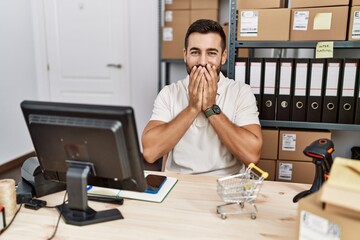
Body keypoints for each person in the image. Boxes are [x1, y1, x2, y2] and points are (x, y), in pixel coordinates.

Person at [141, 19, 262, 176]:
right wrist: (192, 108)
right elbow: (150, 153)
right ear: (185, 55)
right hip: (178, 184)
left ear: (223, 57)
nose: (203, 62)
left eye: (211, 53)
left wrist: (210, 108)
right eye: (195, 52)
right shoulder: (169, 93)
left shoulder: (241, 92)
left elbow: (252, 155)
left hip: (226, 187)